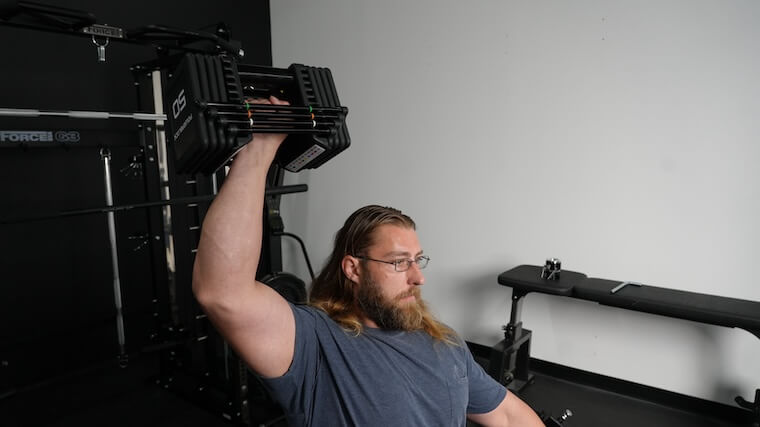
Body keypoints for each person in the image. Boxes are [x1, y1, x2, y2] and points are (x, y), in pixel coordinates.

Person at [192, 96, 544, 426]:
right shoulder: (317, 344)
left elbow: (509, 415)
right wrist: (259, 150)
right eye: (398, 262)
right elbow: (223, 292)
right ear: (353, 268)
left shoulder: (445, 341)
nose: (418, 277)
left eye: (418, 260)